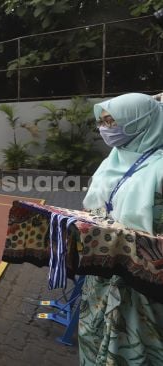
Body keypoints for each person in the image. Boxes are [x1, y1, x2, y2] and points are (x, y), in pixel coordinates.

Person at [80, 92, 163, 365]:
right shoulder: (112, 160)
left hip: (142, 286)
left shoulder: (160, 167)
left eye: (112, 122)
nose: (106, 129)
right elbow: (95, 206)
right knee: (92, 338)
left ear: (141, 121)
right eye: (102, 122)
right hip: (101, 275)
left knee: (131, 351)